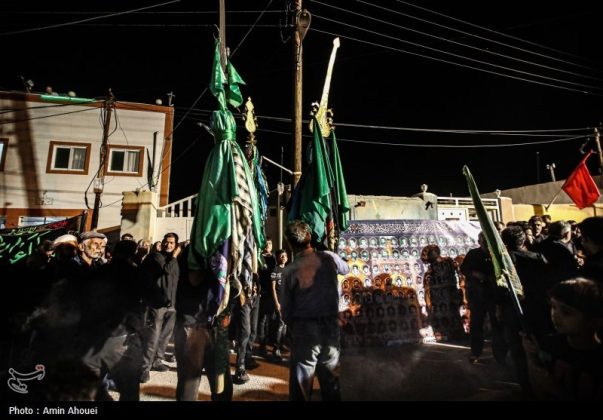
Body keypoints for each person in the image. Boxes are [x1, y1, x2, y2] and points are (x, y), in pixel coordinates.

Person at [280, 220, 349, 401]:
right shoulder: (329, 258)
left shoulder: (289, 271)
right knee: (331, 381)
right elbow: (346, 268)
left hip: (305, 329)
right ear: (309, 237)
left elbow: (286, 310)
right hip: (331, 326)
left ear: (289, 243)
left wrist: (291, 328)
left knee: (302, 386)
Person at [523, 278, 603, 400]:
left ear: (594, 321)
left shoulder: (597, 359)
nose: (555, 314)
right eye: (553, 307)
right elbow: (539, 391)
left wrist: (556, 389)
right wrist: (532, 357)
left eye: (566, 312)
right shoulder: (550, 344)